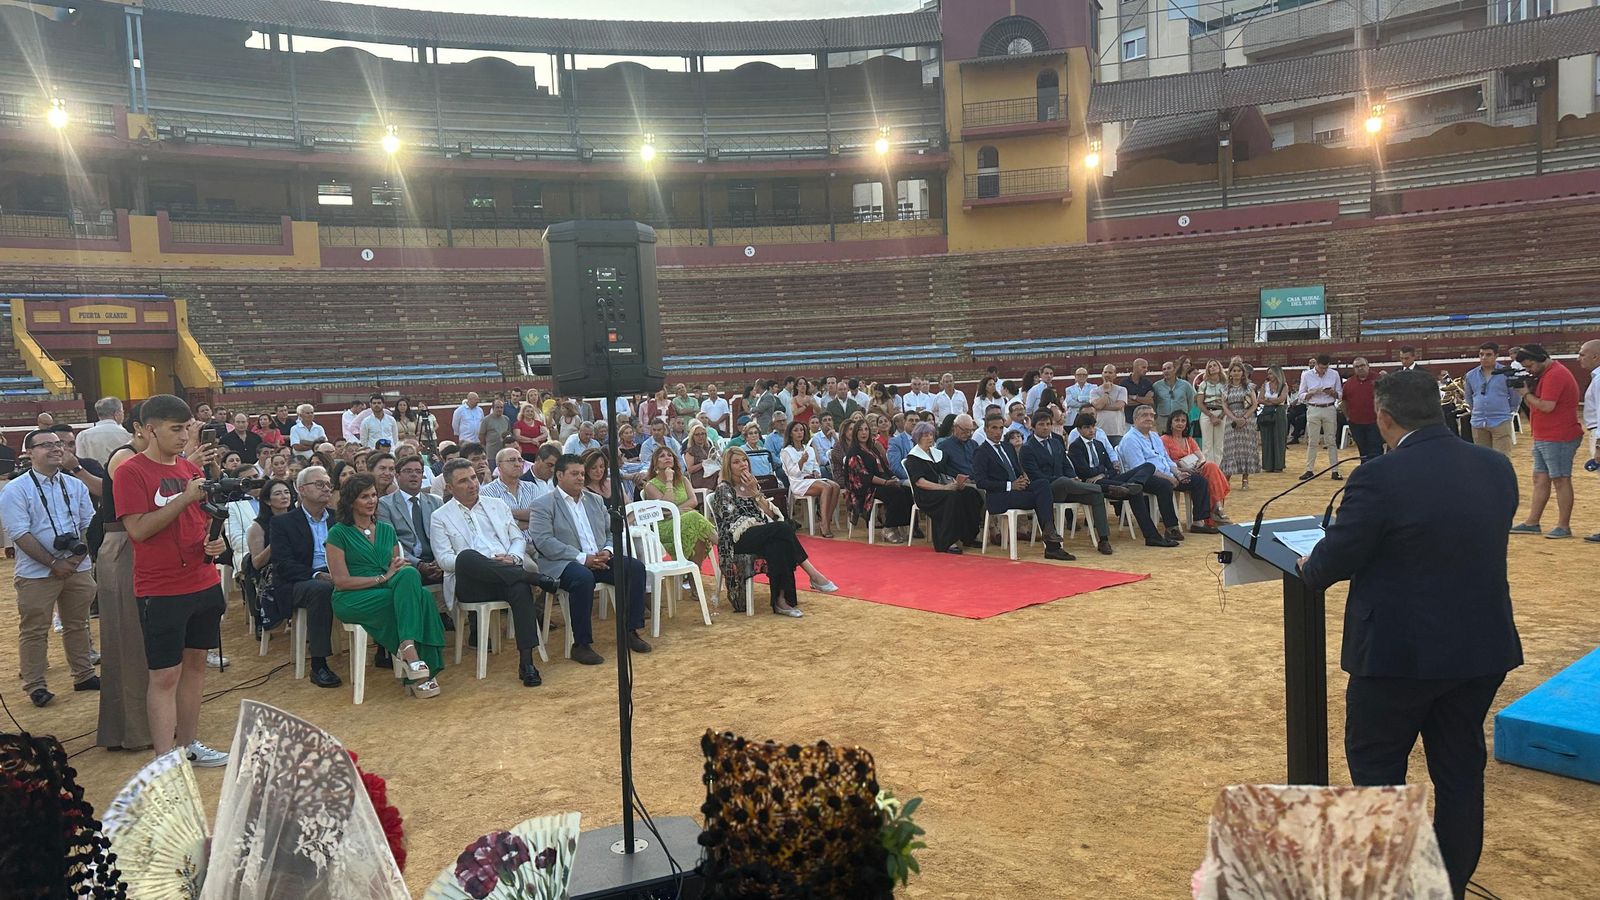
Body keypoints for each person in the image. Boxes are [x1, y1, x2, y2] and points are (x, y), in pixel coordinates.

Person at [1297, 370, 1521, 899]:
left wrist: (1310, 565)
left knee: (1378, 773)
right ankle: (1449, 886)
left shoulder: (1379, 475)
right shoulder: (1496, 466)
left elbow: (1336, 560)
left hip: (1397, 653)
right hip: (1479, 645)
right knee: (1460, 772)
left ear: (1384, 417)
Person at [111, 394, 229, 766]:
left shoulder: (188, 470)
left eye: (186, 429)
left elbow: (198, 524)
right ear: (150, 430)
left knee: (195, 669)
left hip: (203, 581)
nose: (183, 437)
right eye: (175, 429)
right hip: (161, 589)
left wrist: (216, 543)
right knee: (164, 676)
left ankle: (189, 744)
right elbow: (139, 530)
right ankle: (165, 759)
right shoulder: (131, 471)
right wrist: (183, 497)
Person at [431, 459, 559, 687]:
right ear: (449, 488)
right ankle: (533, 577)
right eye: (463, 481)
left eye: (473, 477)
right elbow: (444, 560)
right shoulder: (440, 516)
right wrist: (484, 562)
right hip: (471, 582)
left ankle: (527, 663)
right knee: (467, 556)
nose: (472, 484)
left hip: (506, 571)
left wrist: (514, 558)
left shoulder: (496, 504)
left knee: (519, 589)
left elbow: (517, 538)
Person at [1, 428, 98, 709]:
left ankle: (84, 675)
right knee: (34, 629)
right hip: (36, 572)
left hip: (76, 568)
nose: (56, 449)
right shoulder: (15, 490)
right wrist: (54, 563)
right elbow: (20, 534)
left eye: (58, 444)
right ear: (29, 453)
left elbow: (87, 525)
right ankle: (35, 685)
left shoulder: (75, 485)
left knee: (78, 624)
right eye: (46, 445)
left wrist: (73, 561)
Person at [326, 474, 445, 698]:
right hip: (352, 597)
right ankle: (419, 670)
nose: (371, 501)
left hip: (387, 591)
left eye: (373, 495)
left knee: (409, 573)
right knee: (422, 598)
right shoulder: (338, 533)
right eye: (364, 497)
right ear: (351, 501)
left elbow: (395, 569)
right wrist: (383, 578)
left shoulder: (387, 530)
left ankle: (409, 650)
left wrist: (396, 570)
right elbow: (341, 582)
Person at [529, 454, 651, 665]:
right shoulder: (543, 504)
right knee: (583, 578)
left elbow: (612, 532)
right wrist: (582, 557)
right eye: (574, 474)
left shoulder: (594, 500)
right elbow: (544, 541)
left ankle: (630, 631)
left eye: (582, 474)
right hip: (564, 562)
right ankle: (581, 644)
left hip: (598, 557)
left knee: (634, 568)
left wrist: (608, 551)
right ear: (559, 475)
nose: (580, 478)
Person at [709, 446, 837, 616]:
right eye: (736, 462)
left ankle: (781, 601)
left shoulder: (751, 484)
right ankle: (812, 574)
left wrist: (755, 492)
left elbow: (772, 515)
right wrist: (761, 526)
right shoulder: (724, 488)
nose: (743, 465)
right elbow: (731, 522)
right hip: (737, 541)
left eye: (744, 460)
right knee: (783, 529)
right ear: (728, 466)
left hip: (760, 535)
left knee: (778, 545)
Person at [95, 404, 152, 750]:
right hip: (123, 549)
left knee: (149, 640)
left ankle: (152, 721)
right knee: (128, 640)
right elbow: (140, 500)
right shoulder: (124, 457)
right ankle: (130, 729)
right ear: (143, 428)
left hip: (146, 551)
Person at [267, 466, 344, 688]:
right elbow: (284, 565)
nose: (326, 488)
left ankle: (385, 651)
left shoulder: (338, 519)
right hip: (298, 582)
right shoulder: (283, 523)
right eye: (319, 484)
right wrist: (319, 574)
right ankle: (318, 665)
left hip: (338, 574)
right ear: (302, 489)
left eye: (328, 484)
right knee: (321, 590)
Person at [1020, 411, 1122, 557]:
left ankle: (1103, 540)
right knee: (1063, 481)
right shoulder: (1027, 448)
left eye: (1048, 424)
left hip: (1068, 487)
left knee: (1096, 496)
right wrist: (1066, 480)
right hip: (1047, 491)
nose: (1045, 428)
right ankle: (1107, 488)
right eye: (1041, 425)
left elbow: (1066, 465)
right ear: (1033, 427)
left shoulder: (1056, 442)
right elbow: (1036, 476)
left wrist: (1072, 477)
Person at [972, 412, 1072, 558]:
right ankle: (1052, 545)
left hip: (1018, 491)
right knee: (1042, 499)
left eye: (1000, 428)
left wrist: (1023, 481)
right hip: (999, 496)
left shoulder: (1008, 447)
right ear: (986, 429)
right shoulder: (981, 452)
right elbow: (981, 482)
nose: (998, 432)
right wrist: (1009, 485)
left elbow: (1018, 472)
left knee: (1042, 484)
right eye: (994, 428)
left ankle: (1050, 535)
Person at [1067, 413, 1174, 548]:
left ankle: (1134, 483)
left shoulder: (1099, 444)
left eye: (1093, 427)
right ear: (1079, 429)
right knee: (1135, 493)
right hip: (1091, 484)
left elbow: (1112, 469)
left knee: (1149, 466)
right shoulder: (1075, 446)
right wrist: (1102, 472)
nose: (1091, 430)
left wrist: (1102, 473)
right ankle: (1152, 536)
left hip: (1107, 479)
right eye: (1087, 427)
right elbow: (1083, 472)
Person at [1508, 344, 1582, 539]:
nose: (1529, 370)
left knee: (1560, 479)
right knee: (1540, 478)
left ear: (1541, 359)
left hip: (1558, 435)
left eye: (1530, 365)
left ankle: (1563, 526)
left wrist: (1526, 394)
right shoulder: (1548, 373)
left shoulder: (1555, 375)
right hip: (1546, 434)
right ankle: (1533, 521)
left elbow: (1547, 406)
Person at [1116, 405, 1220, 540]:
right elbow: (1141, 468)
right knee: (1164, 485)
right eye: (1144, 415)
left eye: (1152, 415)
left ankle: (1199, 522)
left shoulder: (1154, 436)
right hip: (1142, 479)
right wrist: (1168, 478)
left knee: (1199, 480)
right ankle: (1171, 528)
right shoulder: (1130, 439)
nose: (1149, 418)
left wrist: (1177, 473)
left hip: (1167, 474)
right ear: (1135, 419)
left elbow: (1167, 460)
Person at [902, 422, 984, 554]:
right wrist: (944, 488)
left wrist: (957, 483)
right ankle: (946, 541)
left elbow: (945, 473)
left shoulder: (937, 453)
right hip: (926, 494)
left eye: (931, 434)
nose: (929, 438)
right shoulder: (913, 458)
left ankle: (969, 536)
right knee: (952, 497)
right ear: (918, 437)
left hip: (943, 488)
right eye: (925, 435)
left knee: (970, 494)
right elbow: (920, 482)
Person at [641, 445, 715, 568]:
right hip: (664, 525)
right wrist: (669, 480)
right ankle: (721, 543)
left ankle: (693, 577)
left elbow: (693, 501)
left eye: (669, 455)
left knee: (699, 535)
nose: (667, 458)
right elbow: (666, 507)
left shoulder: (683, 480)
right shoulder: (650, 485)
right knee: (694, 516)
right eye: (662, 456)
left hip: (683, 520)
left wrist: (677, 510)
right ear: (655, 463)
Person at [841, 420, 914, 543]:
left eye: (866, 429)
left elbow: (885, 467)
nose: (864, 433)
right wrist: (885, 483)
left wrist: (892, 477)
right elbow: (864, 476)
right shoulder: (854, 452)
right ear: (855, 433)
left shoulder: (872, 448)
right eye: (860, 430)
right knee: (895, 492)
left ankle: (902, 525)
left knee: (906, 490)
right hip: (864, 488)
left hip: (879, 482)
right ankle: (888, 527)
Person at [1160, 411, 1231, 525]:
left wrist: (1199, 464)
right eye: (1177, 420)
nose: (1180, 423)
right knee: (1209, 473)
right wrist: (1184, 469)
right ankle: (1217, 508)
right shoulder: (1164, 439)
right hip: (1176, 472)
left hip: (1194, 469)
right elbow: (1165, 462)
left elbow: (1201, 457)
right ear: (1170, 423)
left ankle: (1216, 507)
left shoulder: (1189, 439)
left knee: (1210, 466)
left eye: (1183, 421)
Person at [779, 422, 840, 538]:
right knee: (826, 487)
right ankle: (824, 525)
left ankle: (826, 520)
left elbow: (815, 465)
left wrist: (816, 472)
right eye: (796, 430)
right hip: (799, 482)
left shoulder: (809, 449)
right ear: (790, 434)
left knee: (835, 486)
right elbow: (793, 473)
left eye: (801, 430)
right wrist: (801, 461)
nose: (800, 432)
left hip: (812, 479)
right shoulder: (786, 451)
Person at [1463, 343, 1519, 456]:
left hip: (1501, 420)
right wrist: (1475, 411)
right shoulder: (1470, 375)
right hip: (1478, 422)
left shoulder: (1507, 373)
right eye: (1481, 354)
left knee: (1502, 458)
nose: (1484, 358)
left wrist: (1508, 411)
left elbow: (1516, 396)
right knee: (1483, 460)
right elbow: (1468, 397)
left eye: (1488, 355)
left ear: (1496, 356)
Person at [1298, 354, 1343, 481]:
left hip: (1329, 407)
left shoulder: (1334, 374)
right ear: (1316, 365)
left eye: (1326, 368)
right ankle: (1309, 469)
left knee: (1331, 441)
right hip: (1313, 407)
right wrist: (1310, 394)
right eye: (1322, 368)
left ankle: (1335, 470)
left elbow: (1340, 394)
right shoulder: (1306, 375)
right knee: (1313, 441)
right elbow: (1301, 395)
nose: (1324, 370)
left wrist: (1332, 392)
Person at [1220, 361, 1261, 487]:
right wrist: (1234, 419)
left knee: (1246, 448)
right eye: (1234, 371)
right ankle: (1227, 478)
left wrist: (1244, 418)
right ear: (1230, 373)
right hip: (1231, 420)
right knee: (1231, 449)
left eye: (1239, 371)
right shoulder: (1225, 388)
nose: (1236, 373)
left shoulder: (1249, 387)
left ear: (1243, 373)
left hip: (1247, 420)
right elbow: (1224, 405)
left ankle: (1245, 479)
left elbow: (1254, 404)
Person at [76, 396, 130, 466]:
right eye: (122, 411)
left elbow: (81, 460)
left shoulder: (83, 435)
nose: (123, 414)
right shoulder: (127, 434)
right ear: (117, 413)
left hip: (93, 475)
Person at [1257, 365, 1290, 472]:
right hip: (1267, 412)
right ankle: (1267, 465)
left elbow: (1281, 399)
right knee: (1267, 438)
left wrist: (1267, 400)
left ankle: (1278, 465)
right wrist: (1271, 401)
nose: (1269, 376)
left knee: (1279, 438)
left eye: (1271, 373)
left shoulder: (1283, 386)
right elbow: (1259, 399)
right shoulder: (1265, 385)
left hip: (1279, 413)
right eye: (1269, 373)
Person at [685, 423, 721, 491]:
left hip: (712, 473)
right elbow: (690, 470)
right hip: (700, 478)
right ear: (693, 436)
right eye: (697, 434)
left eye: (703, 434)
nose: (700, 436)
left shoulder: (709, 448)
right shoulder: (691, 451)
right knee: (721, 476)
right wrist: (703, 464)